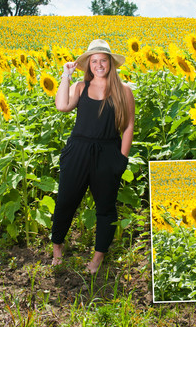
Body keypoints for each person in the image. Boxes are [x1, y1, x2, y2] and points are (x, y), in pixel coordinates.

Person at [51, 39, 135, 273]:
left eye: (103, 61)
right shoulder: (80, 86)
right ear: (88, 64)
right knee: (66, 201)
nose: (99, 65)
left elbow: (128, 127)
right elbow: (61, 105)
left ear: (111, 64)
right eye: (94, 61)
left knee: (106, 207)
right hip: (77, 151)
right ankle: (57, 248)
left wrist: (122, 159)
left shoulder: (124, 91)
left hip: (108, 153)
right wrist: (65, 76)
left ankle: (98, 258)